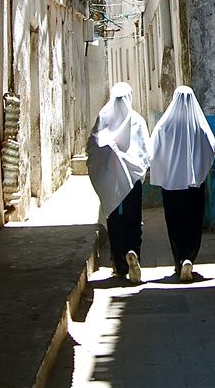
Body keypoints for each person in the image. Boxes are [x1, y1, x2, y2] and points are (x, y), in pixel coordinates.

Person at [149, 86, 215, 283]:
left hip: (171, 186)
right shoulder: (199, 126)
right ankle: (189, 257)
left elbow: (153, 152)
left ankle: (179, 259)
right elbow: (212, 148)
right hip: (194, 186)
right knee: (193, 221)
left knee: (175, 222)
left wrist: (165, 172)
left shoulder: (164, 126)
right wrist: (199, 169)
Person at [86, 82, 150, 283]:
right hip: (132, 184)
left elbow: (92, 150)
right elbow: (145, 151)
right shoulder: (137, 120)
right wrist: (138, 170)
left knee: (115, 222)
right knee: (134, 220)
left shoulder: (103, 118)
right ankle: (134, 253)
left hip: (110, 184)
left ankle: (120, 265)